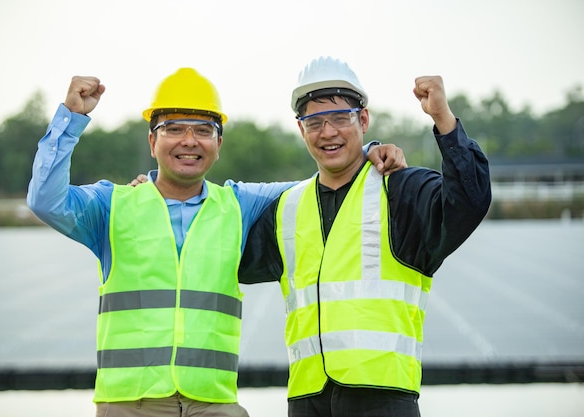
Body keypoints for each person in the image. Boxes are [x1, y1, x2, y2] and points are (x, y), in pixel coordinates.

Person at [26, 67, 407, 417]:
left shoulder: (239, 205)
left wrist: (369, 151)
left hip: (214, 403)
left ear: (219, 143)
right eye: (175, 128)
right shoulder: (112, 206)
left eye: (203, 130)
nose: (189, 141)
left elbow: (328, 179)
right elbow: (45, 200)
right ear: (152, 140)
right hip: (130, 404)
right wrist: (70, 119)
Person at [238, 56, 492, 416]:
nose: (328, 132)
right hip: (307, 400)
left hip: (384, 398)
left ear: (364, 119)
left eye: (341, 118)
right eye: (314, 122)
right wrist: (157, 193)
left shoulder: (400, 192)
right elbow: (222, 254)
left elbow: (470, 200)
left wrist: (443, 120)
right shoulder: (286, 209)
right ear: (301, 129)